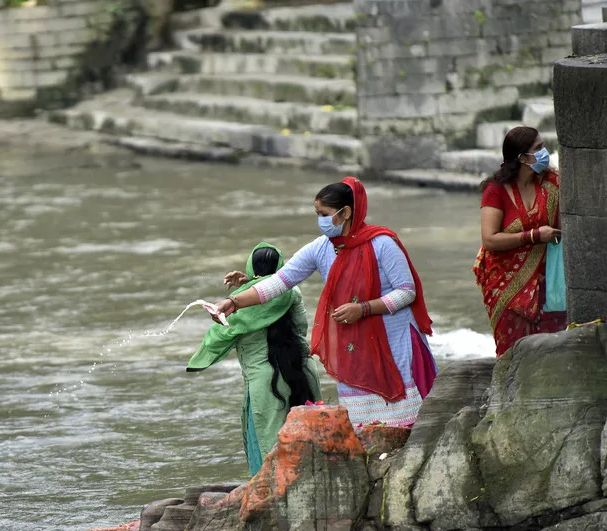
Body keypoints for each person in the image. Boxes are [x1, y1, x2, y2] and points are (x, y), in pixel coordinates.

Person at [213, 177, 436, 428]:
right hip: (354, 346)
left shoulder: (382, 243)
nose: (320, 220)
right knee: (364, 427)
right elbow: (280, 281)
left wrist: (363, 308)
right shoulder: (321, 248)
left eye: (324, 214)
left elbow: (407, 292)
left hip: (395, 342)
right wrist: (235, 301)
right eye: (317, 213)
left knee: (409, 424)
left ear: (346, 212)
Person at [188, 243, 321, 476]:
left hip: (265, 387)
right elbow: (274, 295)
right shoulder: (292, 291)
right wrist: (251, 284)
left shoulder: (237, 307)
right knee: (312, 449)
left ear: (251, 268)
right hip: (304, 372)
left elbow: (216, 342)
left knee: (270, 463)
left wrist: (244, 289)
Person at [473, 126, 565, 357]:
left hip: (549, 282)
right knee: (512, 354)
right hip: (505, 284)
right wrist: (534, 236)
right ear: (523, 158)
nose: (545, 152)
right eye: (539, 148)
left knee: (551, 351)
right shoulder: (496, 190)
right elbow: (490, 239)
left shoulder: (552, 183)